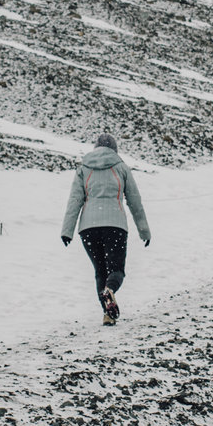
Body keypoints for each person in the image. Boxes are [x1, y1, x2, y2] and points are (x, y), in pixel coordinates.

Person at [59, 132, 150, 325]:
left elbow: (75, 200)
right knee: (116, 270)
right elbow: (135, 202)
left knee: (100, 271)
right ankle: (110, 291)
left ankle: (108, 314)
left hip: (88, 229)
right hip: (114, 226)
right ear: (114, 149)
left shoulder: (83, 168)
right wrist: (144, 231)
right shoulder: (122, 167)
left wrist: (67, 231)